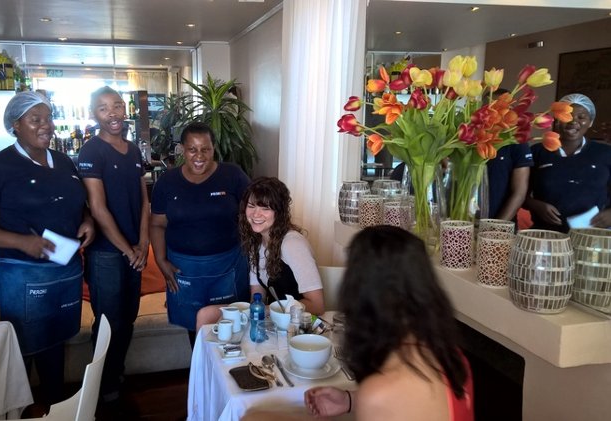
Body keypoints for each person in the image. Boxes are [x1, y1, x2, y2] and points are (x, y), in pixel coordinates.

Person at [244, 226, 474, 421]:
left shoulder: (381, 392)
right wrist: (350, 400)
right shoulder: (453, 359)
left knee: (254, 416)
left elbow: (392, 400)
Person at [0, 91, 95, 407]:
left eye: (48, 118)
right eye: (36, 119)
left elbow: (78, 203)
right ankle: (17, 409)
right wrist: (22, 242)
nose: (46, 125)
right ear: (15, 125)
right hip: (20, 272)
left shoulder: (64, 161)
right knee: (23, 345)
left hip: (64, 268)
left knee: (56, 339)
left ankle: (53, 405)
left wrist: (87, 219)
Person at [77, 86, 149, 406]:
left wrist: (143, 242)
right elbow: (97, 207)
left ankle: (115, 374)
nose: (113, 113)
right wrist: (128, 250)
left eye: (117, 106)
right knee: (108, 323)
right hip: (106, 253)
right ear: (94, 114)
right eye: (104, 108)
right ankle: (101, 385)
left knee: (128, 318)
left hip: (133, 250)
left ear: (125, 108)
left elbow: (144, 200)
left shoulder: (132, 151)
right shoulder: (91, 151)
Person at [150, 121, 251, 340]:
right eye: (192, 149)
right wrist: (160, 260)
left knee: (232, 327)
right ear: (182, 150)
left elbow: (253, 213)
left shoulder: (233, 175)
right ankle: (200, 362)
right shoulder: (167, 182)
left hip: (228, 265)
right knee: (194, 328)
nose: (199, 156)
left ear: (214, 148)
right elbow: (157, 224)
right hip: (183, 268)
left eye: (205, 149)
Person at [196, 177, 324, 328]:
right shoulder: (256, 243)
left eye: (265, 208)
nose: (256, 214)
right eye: (251, 206)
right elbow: (257, 297)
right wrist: (254, 314)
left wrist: (265, 311)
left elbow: (317, 305)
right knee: (205, 315)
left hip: (298, 324)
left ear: (279, 212)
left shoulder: (292, 244)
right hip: (273, 319)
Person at [524, 93, 611, 232]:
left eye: (581, 117)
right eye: (567, 115)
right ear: (557, 119)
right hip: (546, 233)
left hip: (593, 234)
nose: (573, 121)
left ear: (590, 122)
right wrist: (535, 205)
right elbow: (519, 192)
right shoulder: (538, 151)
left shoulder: (605, 153)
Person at [485, 89, 533, 221]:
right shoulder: (471, 139)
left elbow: (519, 193)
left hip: (501, 225)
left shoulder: (517, 142)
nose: (497, 112)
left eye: (503, 109)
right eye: (492, 107)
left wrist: (496, 227)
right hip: (467, 221)